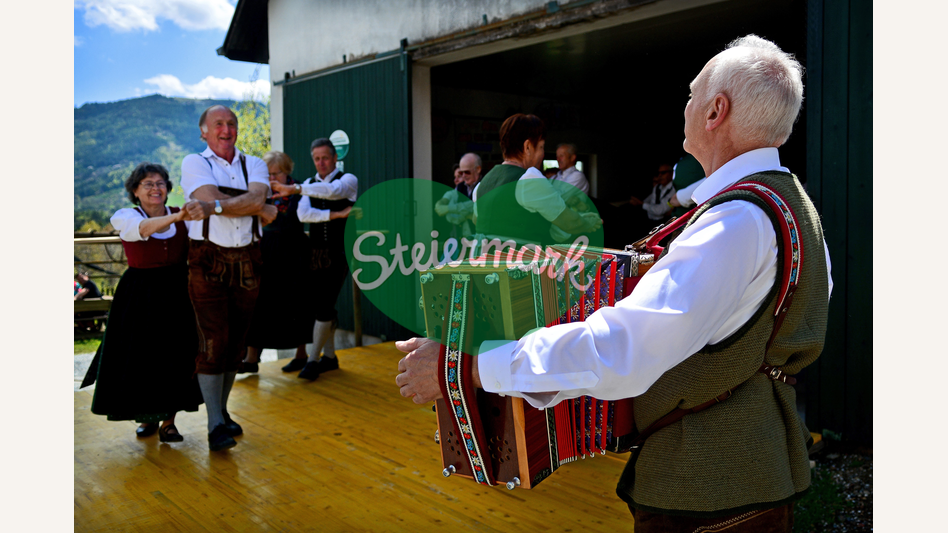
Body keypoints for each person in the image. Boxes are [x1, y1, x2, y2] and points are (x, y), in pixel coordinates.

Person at [396, 35, 832, 531]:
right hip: (748, 469)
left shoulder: (733, 222)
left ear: (715, 111)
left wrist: (468, 367)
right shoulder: (791, 206)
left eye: (691, 96)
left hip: (707, 489)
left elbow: (621, 348)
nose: (684, 107)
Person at [83, 163, 204, 443]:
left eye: (161, 183)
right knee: (141, 355)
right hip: (140, 293)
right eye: (148, 184)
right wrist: (178, 218)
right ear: (135, 191)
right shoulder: (126, 216)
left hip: (177, 291)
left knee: (178, 354)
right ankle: (146, 416)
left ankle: (168, 422)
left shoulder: (180, 215)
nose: (155, 188)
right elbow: (143, 229)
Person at [180, 105, 277, 452]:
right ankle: (213, 425)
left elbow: (254, 199)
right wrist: (255, 205)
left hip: (249, 259)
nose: (226, 129)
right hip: (207, 259)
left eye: (231, 123)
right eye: (218, 124)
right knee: (213, 341)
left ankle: (221, 410)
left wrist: (219, 206)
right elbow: (251, 203)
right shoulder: (194, 162)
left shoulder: (255, 164)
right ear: (204, 131)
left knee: (237, 342)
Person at [270, 138, 358, 381]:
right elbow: (304, 214)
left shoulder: (348, 180)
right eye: (316, 158)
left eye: (325, 157)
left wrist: (298, 190)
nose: (321, 163)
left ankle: (313, 359)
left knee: (324, 303)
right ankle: (330, 357)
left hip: (340, 251)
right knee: (321, 304)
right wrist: (339, 213)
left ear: (334, 158)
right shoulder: (309, 183)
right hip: (315, 252)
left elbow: (333, 191)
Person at [238, 151, 316, 373]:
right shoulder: (260, 191)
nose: (272, 178)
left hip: (295, 251)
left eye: (277, 173)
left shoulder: (301, 189)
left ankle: (302, 354)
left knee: (297, 302)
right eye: (268, 173)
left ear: (287, 171)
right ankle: (252, 358)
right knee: (259, 301)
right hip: (266, 250)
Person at [474, 114, 601, 247]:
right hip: (519, 265)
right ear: (528, 147)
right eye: (541, 147)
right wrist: (589, 223)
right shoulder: (529, 179)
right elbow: (568, 223)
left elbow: (478, 221)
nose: (543, 153)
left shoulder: (483, 184)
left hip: (484, 263)